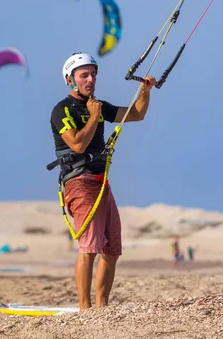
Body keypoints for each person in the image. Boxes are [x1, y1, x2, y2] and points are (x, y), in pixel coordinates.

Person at [49, 52, 155, 311]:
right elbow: (76, 143)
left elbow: (136, 114)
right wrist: (94, 117)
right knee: (90, 246)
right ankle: (85, 309)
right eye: (84, 75)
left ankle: (102, 306)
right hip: (79, 182)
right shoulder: (62, 109)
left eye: (93, 74)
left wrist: (145, 90)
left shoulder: (98, 105)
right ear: (70, 79)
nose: (91, 79)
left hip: (101, 182)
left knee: (112, 246)